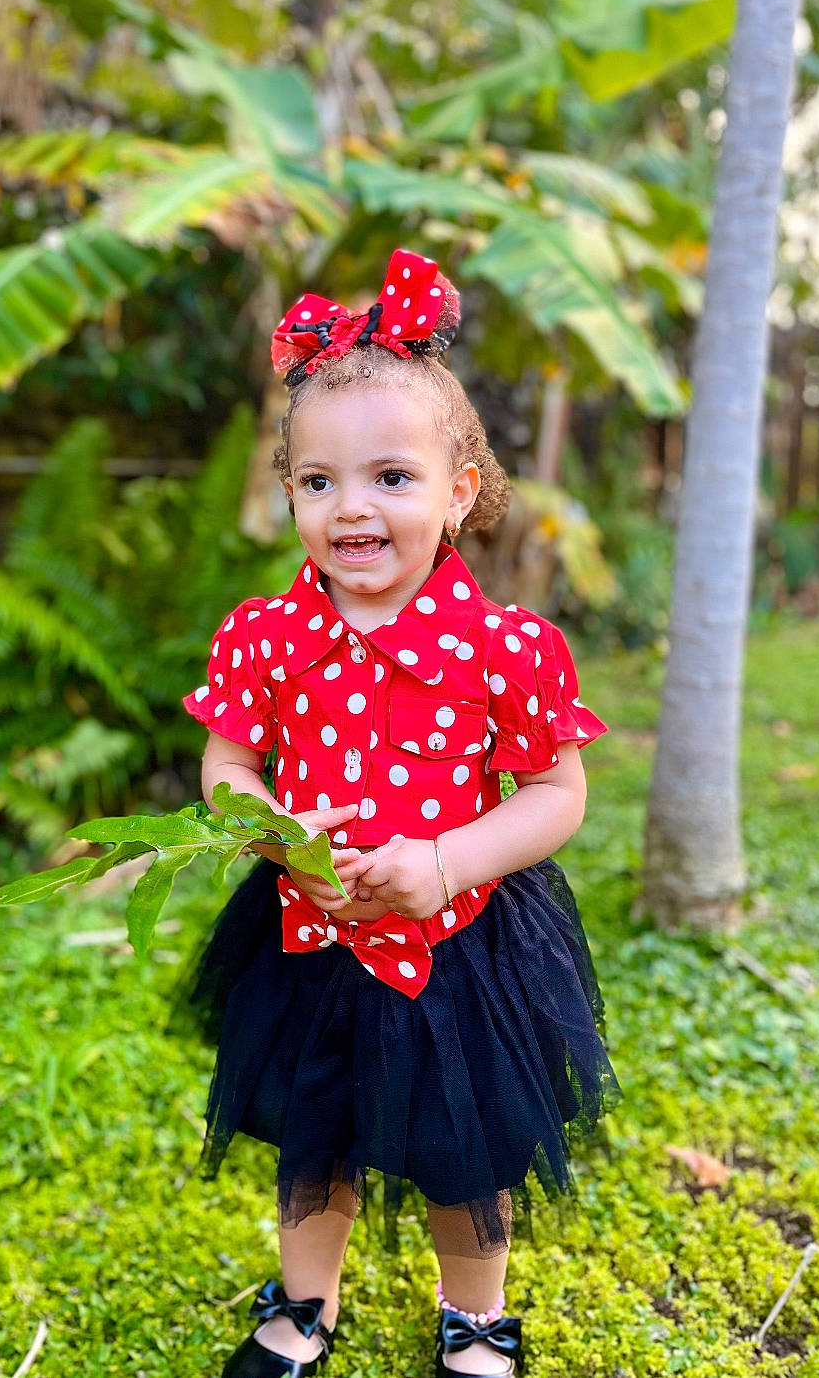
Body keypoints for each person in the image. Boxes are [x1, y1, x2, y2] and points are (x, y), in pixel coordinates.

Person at [177, 248, 618, 1378]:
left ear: (459, 489)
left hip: (461, 941)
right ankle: (304, 1301)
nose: (351, 508)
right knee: (312, 1134)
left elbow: (558, 793)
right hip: (310, 934)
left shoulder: (505, 647)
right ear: (289, 496)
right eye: (318, 483)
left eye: (391, 477)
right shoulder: (267, 636)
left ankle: (474, 1312)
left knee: (464, 1144)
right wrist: (278, 836)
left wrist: (448, 857)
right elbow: (226, 764)